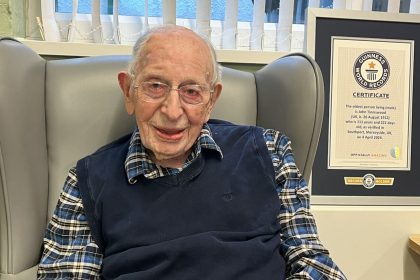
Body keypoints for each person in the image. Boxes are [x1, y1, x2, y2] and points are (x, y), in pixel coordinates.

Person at [37, 25, 346, 280]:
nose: (173, 112)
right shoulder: (87, 181)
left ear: (211, 101)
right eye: (155, 86)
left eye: (192, 92)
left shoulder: (269, 151)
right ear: (128, 91)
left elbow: (314, 264)